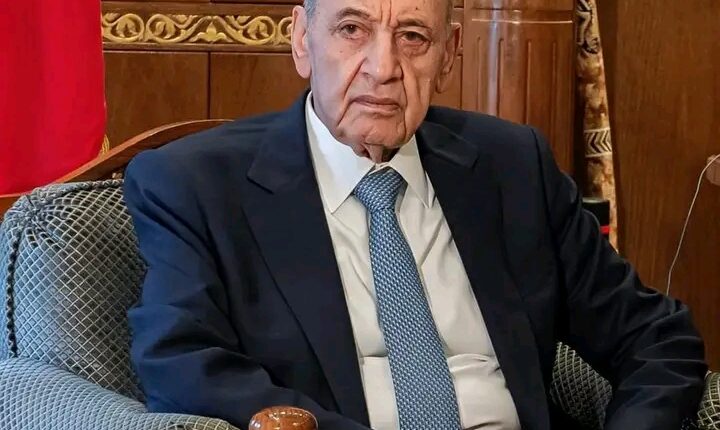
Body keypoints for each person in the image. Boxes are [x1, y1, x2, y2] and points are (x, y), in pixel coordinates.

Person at [122, 0, 707, 429]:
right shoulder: (195, 184)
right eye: (352, 29)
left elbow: (655, 338)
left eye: (412, 37)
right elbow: (182, 365)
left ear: (449, 55)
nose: (383, 68)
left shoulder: (511, 166)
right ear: (302, 40)